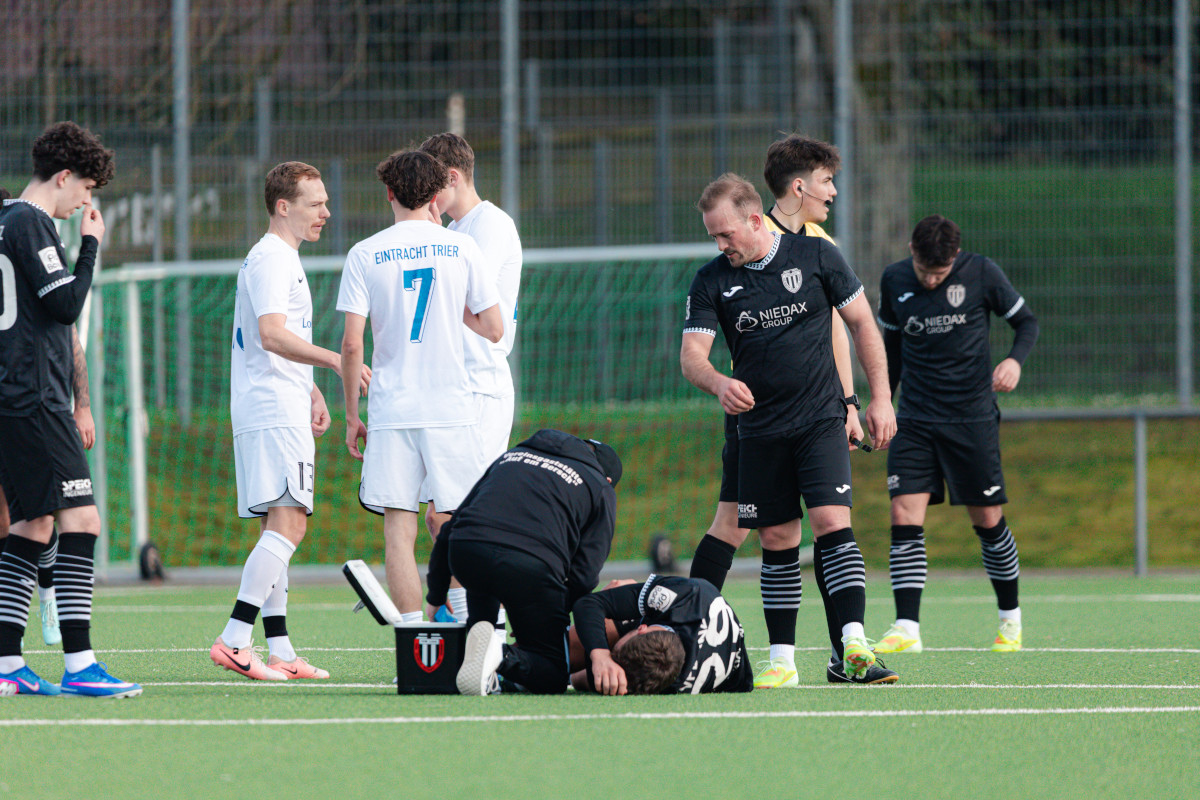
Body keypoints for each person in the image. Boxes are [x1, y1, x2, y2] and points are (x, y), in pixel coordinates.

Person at [687, 135, 895, 687]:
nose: (720, 244)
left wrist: (876, 399)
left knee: (832, 523)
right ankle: (782, 662)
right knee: (776, 539)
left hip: (820, 419)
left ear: (755, 220)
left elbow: (861, 326)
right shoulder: (711, 280)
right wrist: (717, 382)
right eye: (713, 236)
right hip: (758, 430)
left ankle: (853, 645)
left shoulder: (818, 254)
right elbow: (692, 358)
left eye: (726, 234)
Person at [211, 161, 368, 681]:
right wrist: (333, 361)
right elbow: (271, 335)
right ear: (284, 207)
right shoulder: (273, 258)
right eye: (315, 202)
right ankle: (236, 638)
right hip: (271, 409)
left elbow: (275, 344)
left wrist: (312, 390)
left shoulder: (276, 258)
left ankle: (279, 649)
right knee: (290, 523)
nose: (326, 211)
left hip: (278, 402)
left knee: (277, 527)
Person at [0, 121, 140, 697]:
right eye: (84, 190)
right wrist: (90, 247)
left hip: (17, 395)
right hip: (34, 398)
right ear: (62, 177)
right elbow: (65, 306)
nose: (86, 202)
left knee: (32, 524)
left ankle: (7, 664)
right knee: (82, 520)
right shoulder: (31, 222)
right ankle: (80, 665)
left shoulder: (5, 217)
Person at [339, 149, 502, 624]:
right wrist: (457, 314)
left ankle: (417, 640)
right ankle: (477, 628)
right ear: (435, 196)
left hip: (393, 410)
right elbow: (494, 328)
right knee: (458, 524)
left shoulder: (365, 252)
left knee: (399, 530)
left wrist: (352, 414)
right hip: (452, 407)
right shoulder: (462, 246)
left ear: (389, 193)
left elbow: (352, 346)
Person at [873, 214, 1038, 654]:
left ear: (956, 258)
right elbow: (890, 350)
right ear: (911, 251)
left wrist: (1014, 361)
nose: (930, 280)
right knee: (903, 514)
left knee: (986, 519)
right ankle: (907, 626)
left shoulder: (982, 272)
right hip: (916, 419)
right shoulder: (894, 280)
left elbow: (1027, 323)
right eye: (925, 271)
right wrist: (882, 401)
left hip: (972, 419)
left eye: (940, 274)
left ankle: (1010, 621)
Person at [424, 429, 620, 695]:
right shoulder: (600, 486)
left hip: (468, 551)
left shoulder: (512, 456)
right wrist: (548, 616)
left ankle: (475, 649)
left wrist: (435, 596)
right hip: (532, 565)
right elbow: (584, 575)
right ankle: (497, 654)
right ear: (608, 478)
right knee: (552, 674)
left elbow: (449, 530)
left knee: (482, 597)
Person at [417, 132, 523, 624]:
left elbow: (453, 292)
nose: (426, 199)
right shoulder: (456, 230)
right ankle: (463, 617)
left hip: (479, 386)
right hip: (449, 387)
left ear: (453, 178)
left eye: (432, 187)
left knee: (464, 517)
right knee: (439, 515)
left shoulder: (490, 226)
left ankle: (483, 625)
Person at [570, 575, 754, 695]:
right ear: (642, 628)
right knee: (613, 602)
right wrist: (601, 655)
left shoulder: (668, 682)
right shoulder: (684, 596)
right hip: (695, 603)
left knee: (603, 675)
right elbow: (589, 606)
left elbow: (585, 681)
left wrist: (601, 671)